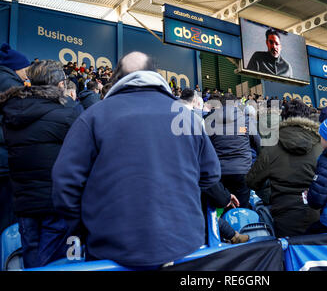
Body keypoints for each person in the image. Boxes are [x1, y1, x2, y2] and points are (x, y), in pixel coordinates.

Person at [52, 51, 221, 269]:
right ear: (155, 75)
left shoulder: (94, 116)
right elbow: (211, 174)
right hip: (182, 246)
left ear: (116, 78)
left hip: (112, 249)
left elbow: (64, 184)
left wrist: (85, 228)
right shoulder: (186, 117)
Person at [0, 60, 80, 268]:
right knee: (50, 262)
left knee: (31, 255)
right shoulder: (68, 111)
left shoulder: (12, 109)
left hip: (24, 200)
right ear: (60, 83)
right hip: (55, 201)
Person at [246, 99, 322, 237]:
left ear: (283, 117)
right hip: (315, 215)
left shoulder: (272, 147)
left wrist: (269, 196)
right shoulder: (320, 146)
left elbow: (252, 180)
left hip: (283, 215)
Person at [205, 93, 256, 209]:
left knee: (222, 209)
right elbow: (258, 145)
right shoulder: (246, 121)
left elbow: (206, 148)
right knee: (241, 209)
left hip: (220, 172)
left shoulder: (210, 121)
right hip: (242, 171)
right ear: (236, 104)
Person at [0, 43, 30, 234]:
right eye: (26, 69)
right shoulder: (11, 85)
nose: (27, 74)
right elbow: (20, 120)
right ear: (16, 68)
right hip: (5, 162)